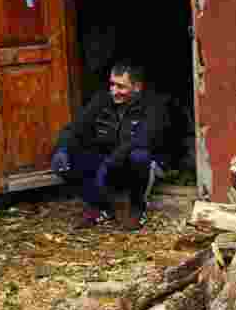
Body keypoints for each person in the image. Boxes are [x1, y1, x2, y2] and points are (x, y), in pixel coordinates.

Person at [51, 62, 170, 230]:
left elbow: (142, 139)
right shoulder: (102, 100)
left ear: (137, 87)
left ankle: (137, 207)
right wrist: (62, 149)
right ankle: (100, 205)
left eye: (121, 86)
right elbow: (75, 128)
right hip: (109, 160)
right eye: (112, 84)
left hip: (136, 162)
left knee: (139, 156)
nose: (114, 90)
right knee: (64, 161)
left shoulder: (153, 105)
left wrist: (109, 163)